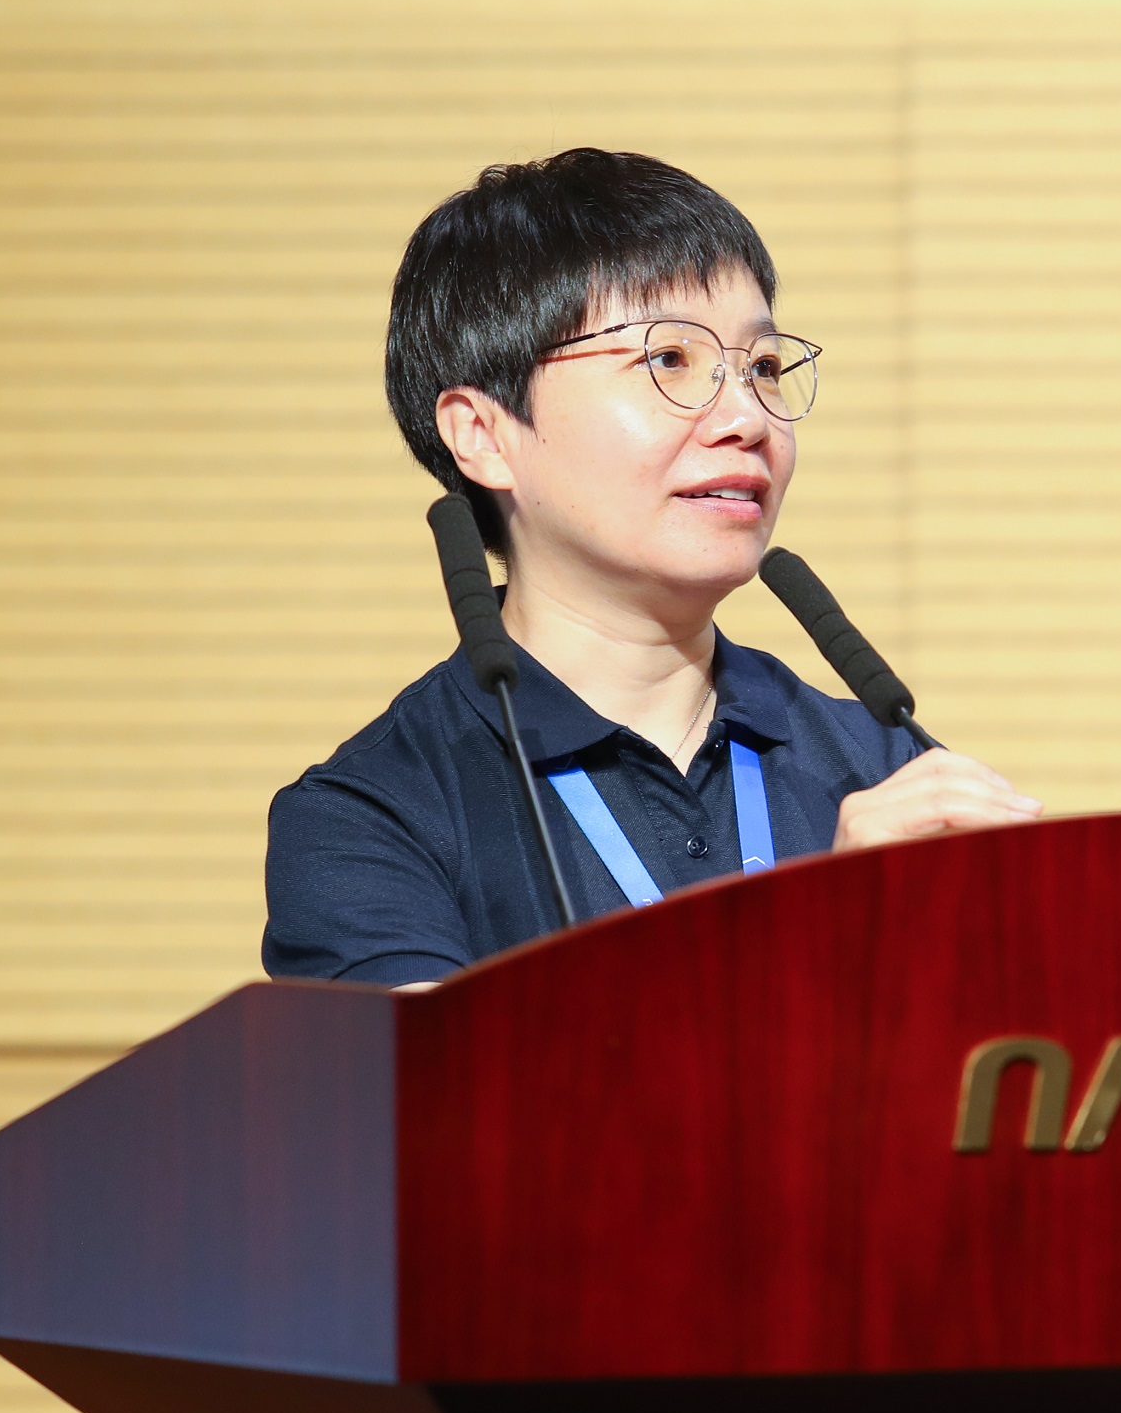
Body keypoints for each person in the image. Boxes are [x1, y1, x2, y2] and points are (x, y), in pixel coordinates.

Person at [262, 149, 1041, 985]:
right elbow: (446, 1075)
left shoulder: (881, 765)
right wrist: (828, 938)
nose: (747, 418)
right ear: (482, 434)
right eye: (670, 360)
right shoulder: (372, 817)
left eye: (764, 367)